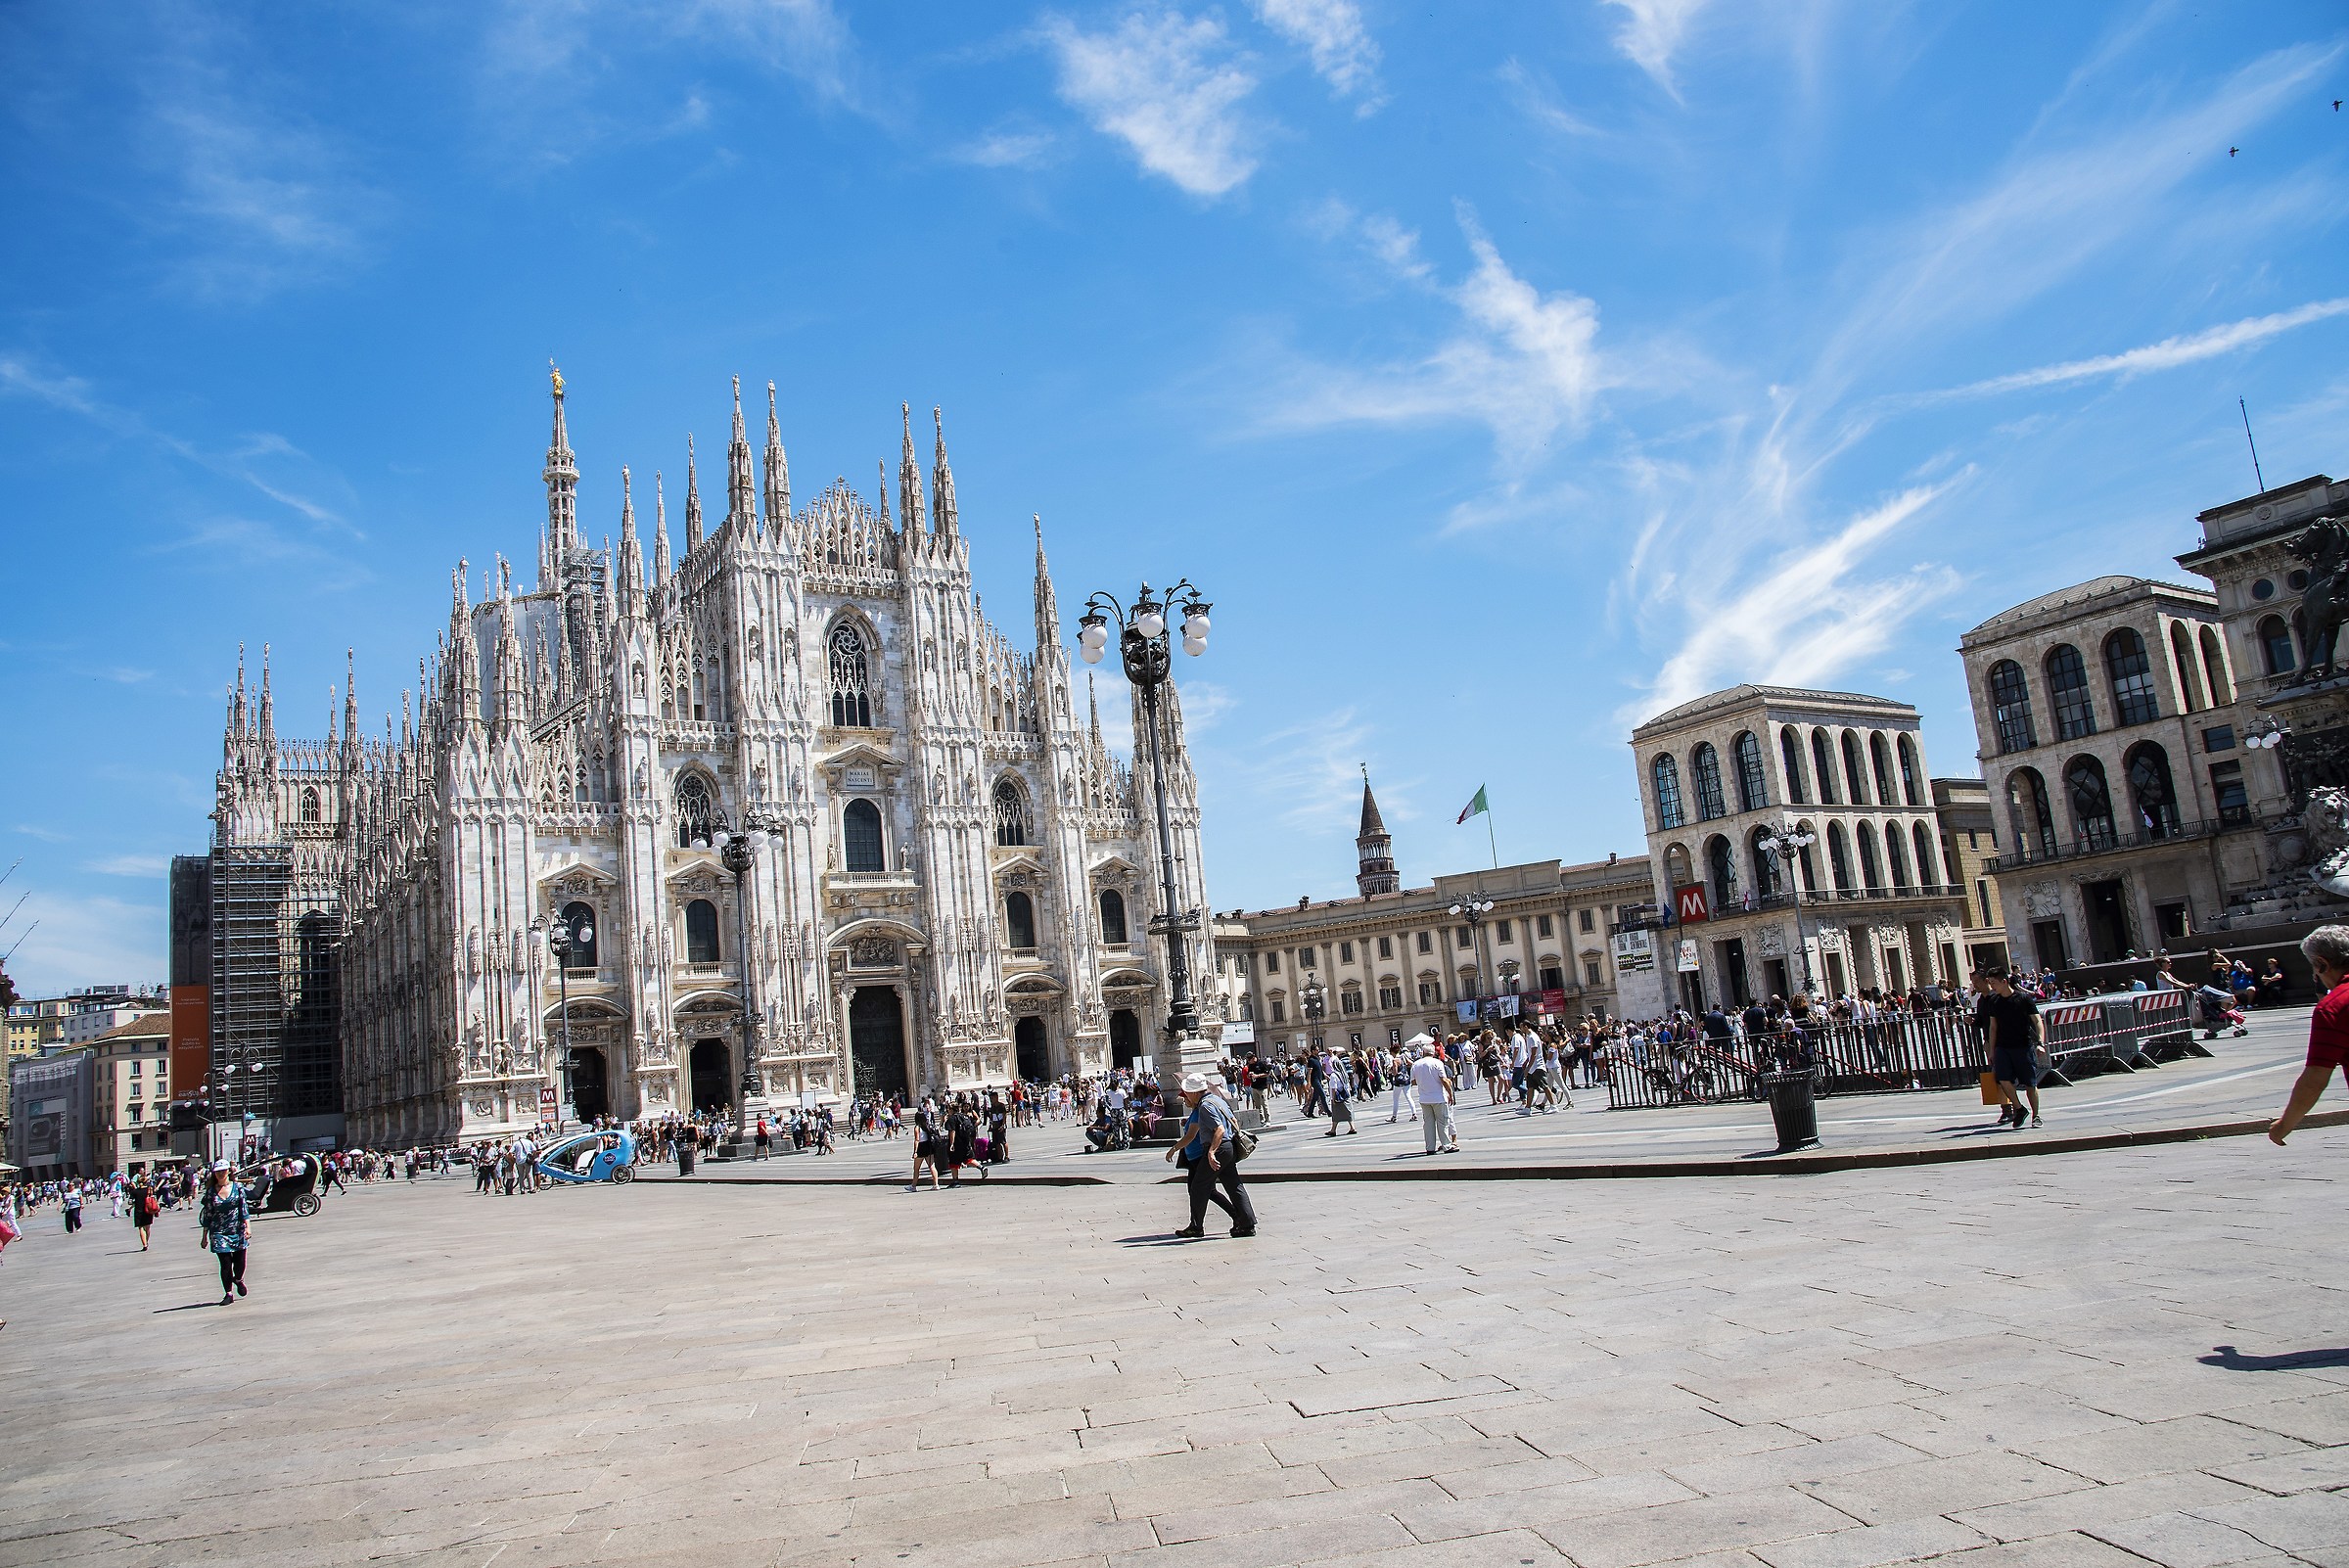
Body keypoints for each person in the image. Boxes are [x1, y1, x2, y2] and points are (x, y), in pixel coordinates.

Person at [2271, 926, 2349, 1145]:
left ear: (2322, 964)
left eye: (2314, 967)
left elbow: (2315, 1079)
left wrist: (2283, 1126)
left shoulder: (2334, 1007)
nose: (2316, 975)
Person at [1165, 1074, 1255, 1238]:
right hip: (1229, 1147)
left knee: (1198, 1186)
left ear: (1194, 1092)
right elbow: (1234, 1121)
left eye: (1187, 1092)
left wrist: (1212, 1152)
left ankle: (1196, 1227)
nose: (1186, 1096)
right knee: (1234, 1186)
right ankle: (1247, 1224)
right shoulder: (1218, 1101)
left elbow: (1219, 1129)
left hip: (1218, 1148)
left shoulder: (1205, 1106)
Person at [1976, 966, 2044, 1129]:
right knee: (2003, 1079)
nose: (1992, 986)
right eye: (1990, 982)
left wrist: (2040, 1043)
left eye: (1994, 983)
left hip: (2023, 1045)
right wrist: (1992, 1051)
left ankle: (2036, 1115)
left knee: (2030, 1083)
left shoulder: (2023, 999)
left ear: (2004, 981)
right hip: (2002, 1047)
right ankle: (2019, 1108)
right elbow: (1993, 1027)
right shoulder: (1994, 1001)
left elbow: (2037, 1021)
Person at [199, 1163, 251, 1306]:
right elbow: (208, 1214)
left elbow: (244, 1208)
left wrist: (248, 1227)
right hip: (219, 1232)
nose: (221, 1173)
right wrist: (204, 1236)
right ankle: (228, 1293)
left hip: (237, 1230)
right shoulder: (211, 1192)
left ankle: (238, 1279)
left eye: (223, 1170)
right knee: (225, 1263)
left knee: (240, 1262)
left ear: (228, 1171)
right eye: (218, 1171)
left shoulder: (238, 1187)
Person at [1411, 1042, 1459, 1154]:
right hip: (1438, 1097)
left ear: (1423, 1053)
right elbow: (1443, 1080)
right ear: (1433, 1053)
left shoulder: (1416, 1064)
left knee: (1428, 1124)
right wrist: (1450, 1094)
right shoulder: (1437, 1063)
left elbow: (1413, 1081)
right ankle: (1447, 1145)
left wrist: (1423, 1081)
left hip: (1424, 1098)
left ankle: (1430, 1147)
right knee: (1443, 1122)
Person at [130, 1176, 158, 1251]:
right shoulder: (149, 1190)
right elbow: (154, 1198)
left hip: (138, 1211)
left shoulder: (135, 1191)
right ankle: (146, 1242)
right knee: (147, 1228)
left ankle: (144, 1244)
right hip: (148, 1210)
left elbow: (130, 1202)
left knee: (141, 1228)